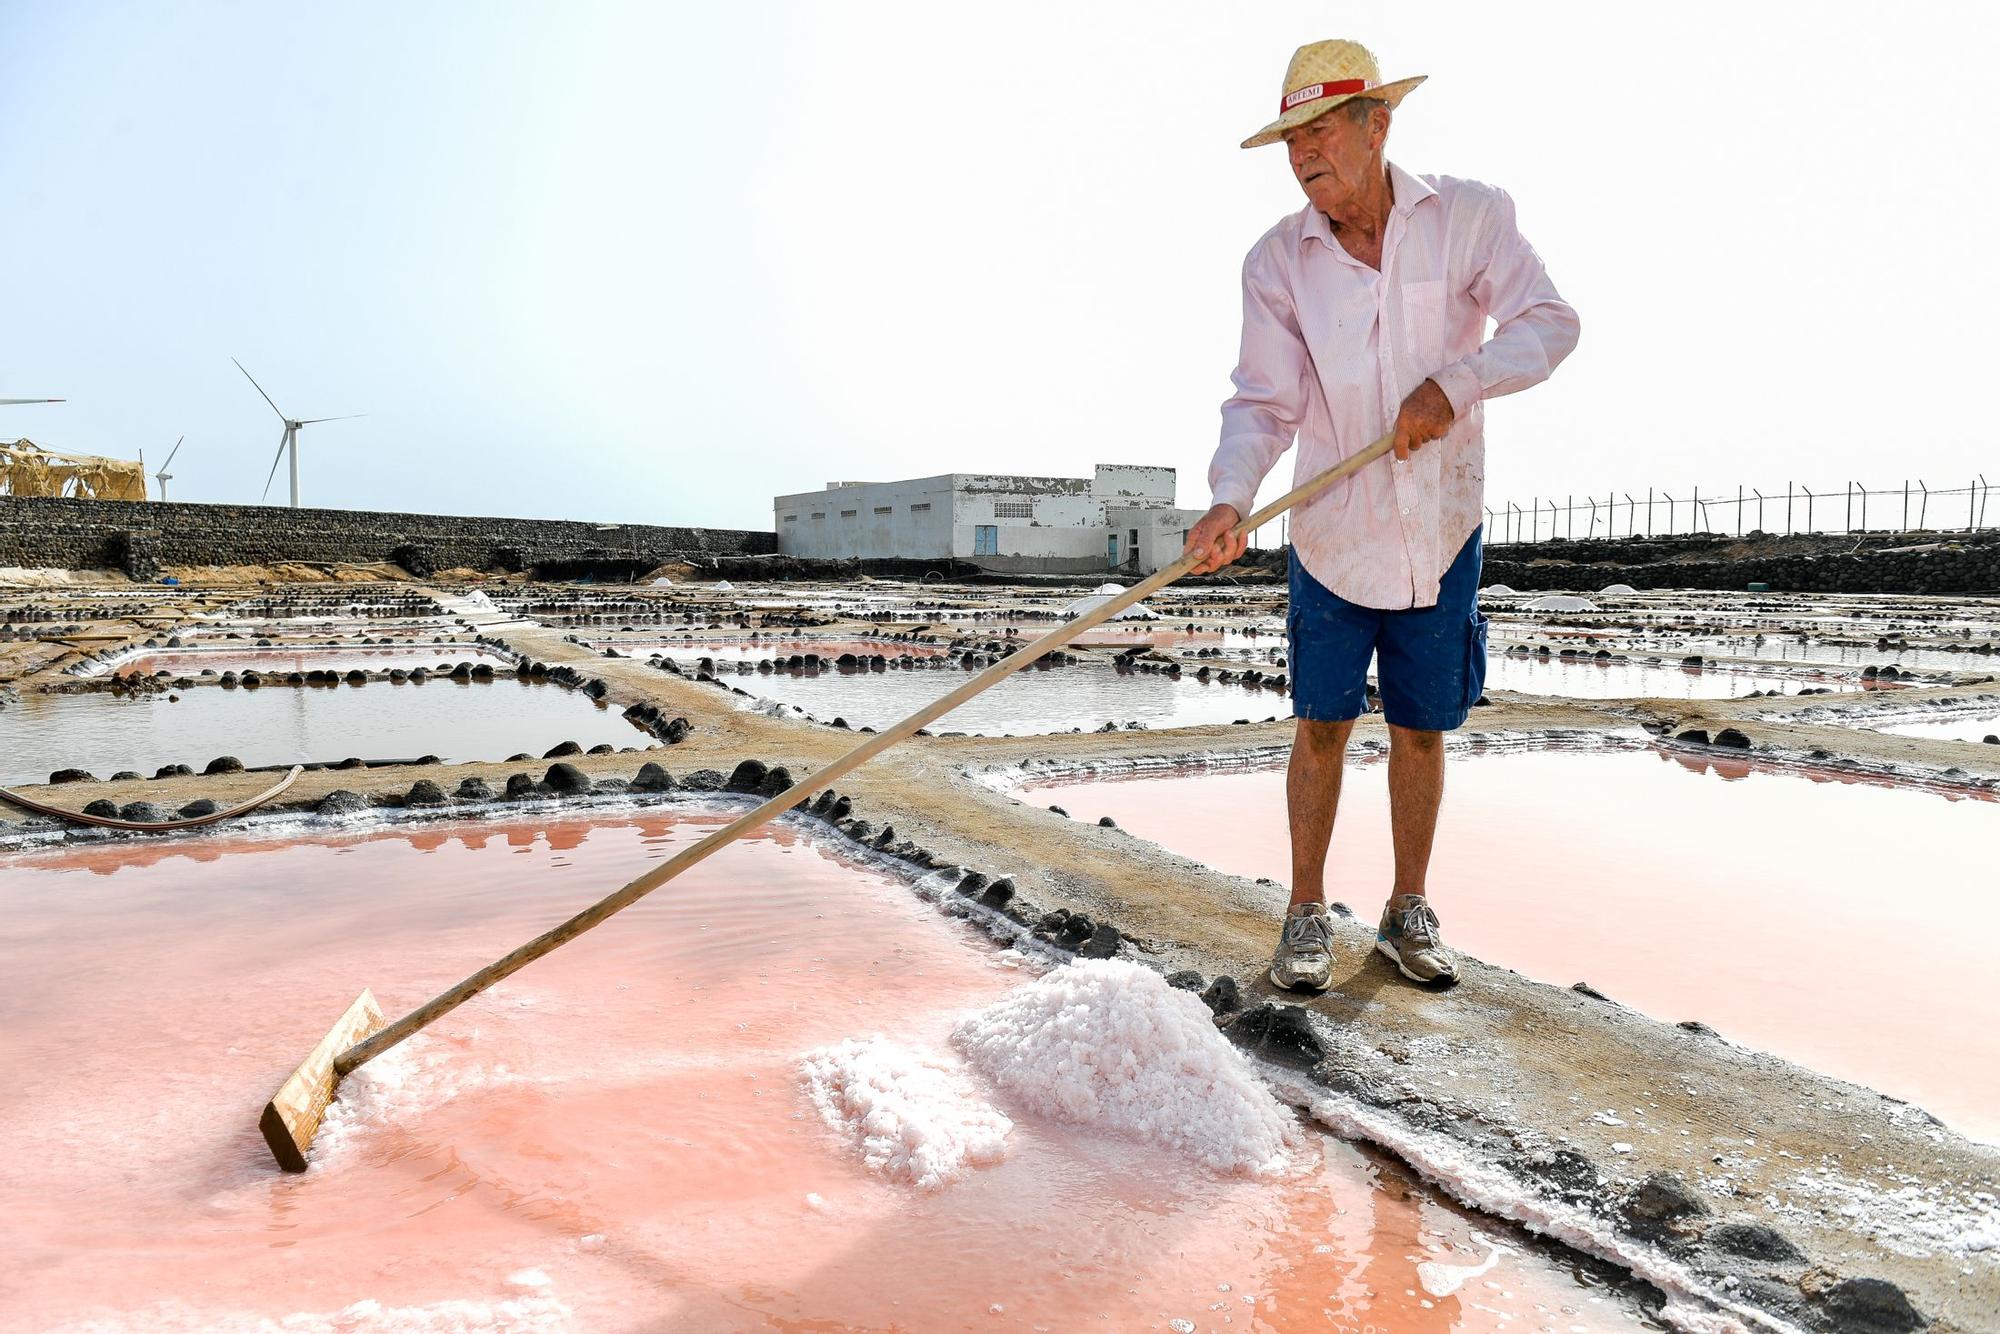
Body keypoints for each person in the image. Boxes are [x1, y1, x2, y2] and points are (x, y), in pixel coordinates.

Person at [1185, 39, 1579, 992]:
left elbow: (1549, 323)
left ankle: (1408, 909)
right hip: (1332, 530)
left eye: (1320, 131)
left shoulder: (1468, 218)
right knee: (1321, 721)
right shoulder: (1279, 261)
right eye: (1291, 141)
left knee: (1421, 726)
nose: (1305, 155)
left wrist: (1458, 382)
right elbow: (1264, 404)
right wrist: (1230, 498)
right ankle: (1306, 914)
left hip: (1440, 526)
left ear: (1378, 125)